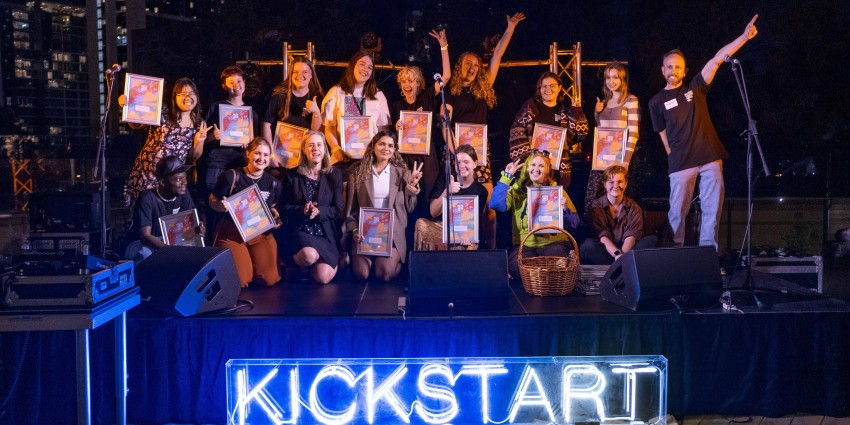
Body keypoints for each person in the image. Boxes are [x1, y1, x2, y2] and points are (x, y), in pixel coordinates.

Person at [648, 15, 758, 250]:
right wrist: (672, 155)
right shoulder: (656, 102)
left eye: (678, 66)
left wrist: (744, 37)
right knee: (677, 213)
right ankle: (675, 256)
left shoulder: (694, 89)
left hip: (709, 158)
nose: (673, 70)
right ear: (662, 70)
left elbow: (718, 58)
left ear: (685, 70)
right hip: (681, 163)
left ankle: (709, 257)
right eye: (669, 66)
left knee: (711, 211)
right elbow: (662, 133)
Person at [445, 12, 526, 248]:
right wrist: (455, 152)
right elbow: (445, 124)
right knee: (459, 205)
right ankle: (460, 250)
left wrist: (510, 28)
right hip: (455, 153)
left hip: (480, 154)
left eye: (475, 65)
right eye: (467, 64)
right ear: (459, 67)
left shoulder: (482, 89)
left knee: (489, 206)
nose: (471, 68)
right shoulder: (450, 92)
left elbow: (498, 54)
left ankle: (489, 255)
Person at [490, 150, 580, 279]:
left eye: (541, 166)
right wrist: (507, 176)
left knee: (556, 268)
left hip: (553, 243)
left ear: (547, 170)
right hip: (525, 244)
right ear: (527, 168)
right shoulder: (516, 191)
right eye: (533, 165)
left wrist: (565, 210)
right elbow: (496, 205)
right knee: (517, 268)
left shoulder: (557, 192)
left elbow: (574, 223)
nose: (536, 169)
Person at [345, 131, 422, 282]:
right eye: (382, 144)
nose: (386, 148)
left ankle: (395, 265)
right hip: (364, 234)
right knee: (362, 275)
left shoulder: (403, 174)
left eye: (390, 146)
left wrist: (411, 187)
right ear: (373, 146)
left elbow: (410, 208)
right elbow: (350, 212)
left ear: (394, 151)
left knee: (384, 274)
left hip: (392, 234)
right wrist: (355, 231)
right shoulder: (358, 173)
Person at [123, 77, 210, 207]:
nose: (188, 97)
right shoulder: (162, 111)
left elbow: (194, 156)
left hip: (171, 179)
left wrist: (199, 141)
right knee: (144, 213)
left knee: (165, 214)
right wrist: (128, 106)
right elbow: (136, 125)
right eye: (183, 94)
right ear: (175, 97)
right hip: (147, 173)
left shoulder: (199, 123)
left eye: (192, 93)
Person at [209, 137, 282, 287]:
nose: (261, 158)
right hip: (233, 233)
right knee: (241, 281)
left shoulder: (273, 182)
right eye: (257, 153)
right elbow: (211, 201)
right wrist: (220, 206)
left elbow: (273, 207)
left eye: (266, 155)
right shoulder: (231, 176)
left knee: (269, 279)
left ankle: (254, 262)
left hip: (259, 233)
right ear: (248, 154)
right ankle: (245, 264)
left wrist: (275, 217)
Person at [390, 28, 450, 208]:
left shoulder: (427, 98)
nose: (408, 85)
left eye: (412, 81)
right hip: (405, 158)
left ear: (418, 84)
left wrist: (443, 46)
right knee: (407, 200)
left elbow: (445, 77)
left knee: (427, 199)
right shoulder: (396, 106)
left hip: (427, 156)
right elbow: (390, 137)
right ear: (400, 85)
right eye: (404, 81)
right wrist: (396, 126)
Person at [281, 131, 343, 284]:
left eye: (319, 145)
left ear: (325, 149)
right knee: (309, 255)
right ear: (304, 149)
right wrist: (302, 210)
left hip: (325, 233)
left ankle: (308, 267)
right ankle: (293, 260)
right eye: (311, 145)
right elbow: (284, 207)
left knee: (323, 278)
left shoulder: (334, 174)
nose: (316, 148)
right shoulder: (292, 175)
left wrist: (319, 211)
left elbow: (338, 209)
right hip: (302, 230)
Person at [508, 71, 585, 189]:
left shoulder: (564, 112)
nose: (547, 89)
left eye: (552, 86)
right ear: (539, 89)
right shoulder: (530, 107)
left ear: (559, 88)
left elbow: (580, 135)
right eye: (544, 86)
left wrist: (576, 112)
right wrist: (530, 158)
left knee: (551, 204)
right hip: (534, 169)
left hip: (556, 169)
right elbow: (516, 131)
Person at [123, 155, 203, 262]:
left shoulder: (183, 193)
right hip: (142, 243)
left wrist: (198, 228)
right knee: (146, 253)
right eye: (179, 179)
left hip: (169, 241)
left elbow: (188, 225)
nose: (184, 183)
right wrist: (169, 251)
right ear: (162, 182)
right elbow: (145, 235)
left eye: (184, 177)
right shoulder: (147, 197)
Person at [587, 63, 641, 214]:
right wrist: (597, 113)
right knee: (598, 202)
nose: (611, 81)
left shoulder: (631, 100)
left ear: (622, 79)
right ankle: (600, 234)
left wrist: (625, 163)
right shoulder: (603, 103)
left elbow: (634, 133)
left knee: (623, 203)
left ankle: (626, 235)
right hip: (603, 160)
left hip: (622, 159)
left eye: (615, 77)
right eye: (608, 78)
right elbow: (601, 132)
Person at [414, 144, 489, 250]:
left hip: (465, 233)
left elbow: (476, 223)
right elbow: (433, 212)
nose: (461, 166)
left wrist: (469, 236)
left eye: (466, 162)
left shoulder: (481, 191)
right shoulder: (445, 178)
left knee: (468, 246)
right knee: (421, 224)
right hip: (442, 229)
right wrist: (447, 191)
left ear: (475, 164)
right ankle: (425, 265)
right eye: (458, 162)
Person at [322, 51, 391, 164]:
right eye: (362, 64)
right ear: (353, 65)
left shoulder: (378, 96)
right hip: (343, 160)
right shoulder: (336, 92)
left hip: (370, 160)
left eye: (370, 67)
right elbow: (329, 128)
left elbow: (383, 131)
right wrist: (336, 149)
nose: (365, 69)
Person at [581, 165, 657, 265]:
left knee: (651, 241)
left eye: (620, 182)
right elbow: (602, 236)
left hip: (627, 252)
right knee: (588, 245)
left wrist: (622, 257)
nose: (616, 186)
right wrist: (617, 254)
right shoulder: (596, 206)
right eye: (611, 182)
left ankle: (623, 267)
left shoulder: (634, 207)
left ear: (626, 184)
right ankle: (617, 268)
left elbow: (631, 236)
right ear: (604, 184)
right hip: (607, 251)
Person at [262, 57, 324, 167]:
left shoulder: (317, 97)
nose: (300, 75)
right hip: (279, 157)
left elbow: (316, 133)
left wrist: (316, 112)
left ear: (311, 75)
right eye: (295, 72)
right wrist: (270, 154)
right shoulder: (278, 95)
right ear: (290, 74)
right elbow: (266, 124)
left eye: (305, 72)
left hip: (305, 159)